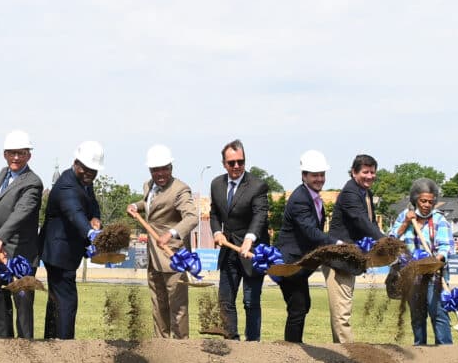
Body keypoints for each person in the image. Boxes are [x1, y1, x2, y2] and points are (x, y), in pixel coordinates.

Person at [128, 145, 199, 338]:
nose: (159, 173)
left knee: (178, 309)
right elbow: (151, 204)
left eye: (163, 168)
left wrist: (172, 233)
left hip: (172, 257)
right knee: (158, 306)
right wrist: (136, 205)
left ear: (171, 167)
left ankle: (180, 348)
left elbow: (192, 217)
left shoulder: (180, 189)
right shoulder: (148, 185)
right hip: (153, 257)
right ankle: (161, 348)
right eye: (154, 169)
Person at [0, 130, 43, 339]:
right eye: (12, 153)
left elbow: (20, 214)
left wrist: (1, 237)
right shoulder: (2, 174)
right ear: (5, 154)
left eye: (21, 153)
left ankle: (26, 352)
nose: (16, 157)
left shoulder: (33, 182)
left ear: (29, 156)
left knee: (23, 307)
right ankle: (2, 352)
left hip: (20, 254)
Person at [39, 141, 104, 339]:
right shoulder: (67, 185)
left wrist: (96, 218)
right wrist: (90, 233)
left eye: (94, 171)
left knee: (57, 299)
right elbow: (74, 212)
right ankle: (65, 348)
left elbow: (92, 205)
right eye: (86, 169)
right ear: (76, 163)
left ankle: (52, 340)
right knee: (67, 300)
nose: (90, 175)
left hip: (67, 249)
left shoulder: (85, 182)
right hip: (58, 251)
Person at [209, 139, 270, 341]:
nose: (236, 166)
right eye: (231, 162)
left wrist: (249, 239)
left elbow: (260, 215)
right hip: (229, 250)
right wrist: (217, 232)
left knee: (250, 301)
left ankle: (252, 346)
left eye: (240, 162)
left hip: (252, 252)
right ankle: (232, 342)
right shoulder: (217, 184)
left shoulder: (257, 186)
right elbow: (215, 214)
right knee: (225, 300)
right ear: (224, 163)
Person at [275, 150, 337, 343]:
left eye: (322, 174)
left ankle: (293, 347)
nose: (319, 179)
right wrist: (335, 243)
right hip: (290, 264)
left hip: (300, 265)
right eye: (314, 175)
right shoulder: (300, 198)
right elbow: (310, 231)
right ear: (304, 175)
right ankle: (292, 350)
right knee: (298, 307)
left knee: (302, 306)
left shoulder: (314, 198)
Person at [325, 154, 385, 343]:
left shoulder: (366, 193)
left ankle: (341, 353)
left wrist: (384, 238)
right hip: (339, 258)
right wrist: (384, 241)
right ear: (354, 172)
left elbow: (371, 222)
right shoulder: (351, 192)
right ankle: (348, 354)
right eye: (365, 172)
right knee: (341, 312)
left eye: (373, 172)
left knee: (343, 308)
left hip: (351, 258)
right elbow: (360, 220)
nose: (370, 176)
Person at [389, 179, 454, 345]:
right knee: (417, 315)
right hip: (411, 275)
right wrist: (404, 223)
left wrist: (435, 260)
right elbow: (390, 241)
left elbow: (446, 247)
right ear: (415, 199)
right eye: (423, 201)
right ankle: (420, 348)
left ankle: (446, 351)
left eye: (431, 202)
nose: (426, 205)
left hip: (434, 274)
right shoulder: (404, 217)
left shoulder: (439, 220)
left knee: (438, 313)